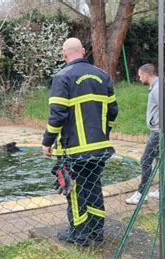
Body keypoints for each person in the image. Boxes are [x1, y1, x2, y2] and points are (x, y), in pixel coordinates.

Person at [42, 38, 118, 246]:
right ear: (83, 51)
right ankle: (96, 231)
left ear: (64, 55)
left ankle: (79, 235)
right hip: (100, 148)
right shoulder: (103, 76)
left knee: (74, 190)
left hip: (73, 150)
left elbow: (57, 116)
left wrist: (47, 141)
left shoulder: (62, 77)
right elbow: (113, 111)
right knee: (93, 187)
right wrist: (104, 134)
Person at [125, 64, 160, 205]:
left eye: (140, 76)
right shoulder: (158, 87)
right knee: (160, 160)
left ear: (146, 74)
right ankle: (163, 190)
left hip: (158, 131)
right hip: (160, 130)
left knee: (145, 160)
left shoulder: (157, 89)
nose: (139, 79)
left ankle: (142, 193)